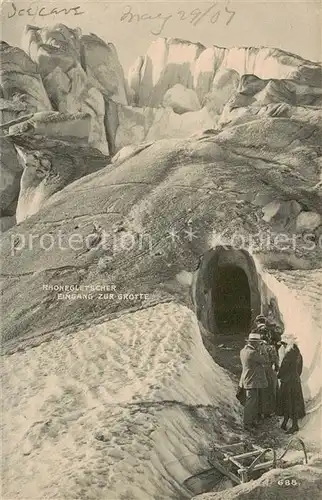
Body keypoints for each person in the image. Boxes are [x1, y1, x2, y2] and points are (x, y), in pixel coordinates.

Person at [276, 333, 306, 434]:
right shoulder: (298, 352)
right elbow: (300, 368)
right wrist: (296, 376)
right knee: (292, 402)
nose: (283, 346)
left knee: (289, 402)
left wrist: (279, 375)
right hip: (295, 381)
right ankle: (286, 422)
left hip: (288, 382)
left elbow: (283, 367)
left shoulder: (289, 354)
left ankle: (294, 425)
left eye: (284, 344)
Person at [239, 332, 268, 431]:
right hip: (252, 381)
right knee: (251, 403)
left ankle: (251, 421)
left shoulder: (243, 350)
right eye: (258, 343)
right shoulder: (253, 353)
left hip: (247, 379)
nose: (259, 345)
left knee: (252, 401)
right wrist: (263, 350)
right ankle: (247, 424)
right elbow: (265, 360)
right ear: (254, 343)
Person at [257, 324, 279, 418]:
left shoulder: (256, 347)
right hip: (269, 370)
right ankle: (268, 411)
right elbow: (275, 361)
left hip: (259, 370)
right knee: (270, 389)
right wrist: (276, 368)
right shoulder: (271, 348)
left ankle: (259, 410)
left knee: (260, 390)